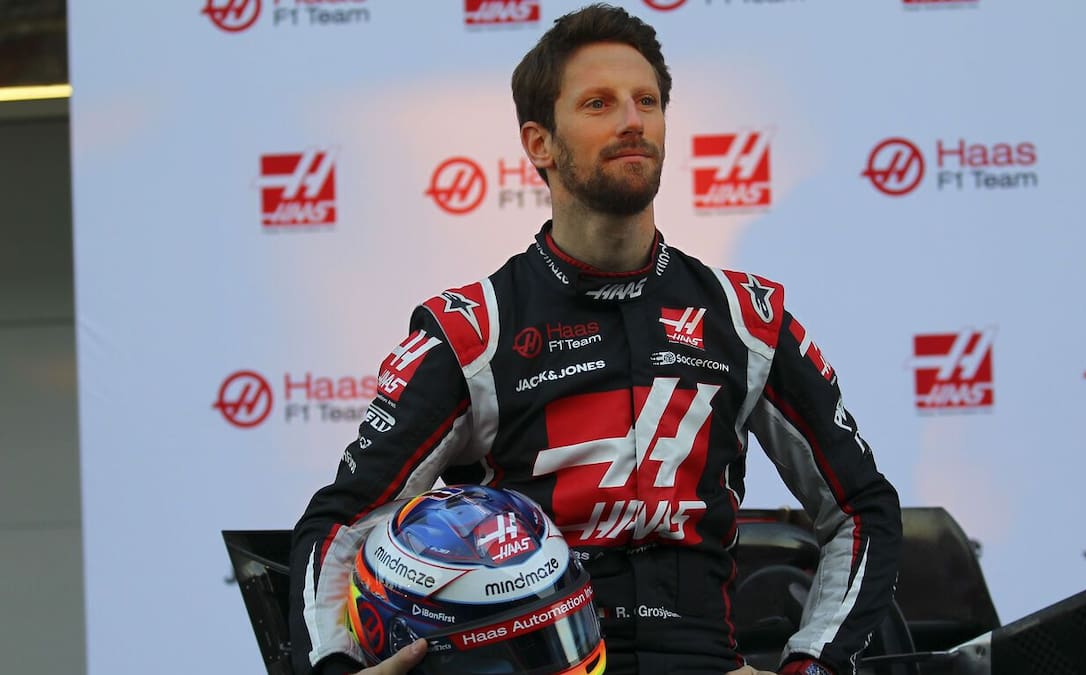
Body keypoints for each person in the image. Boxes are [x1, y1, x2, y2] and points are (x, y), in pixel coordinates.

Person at [288, 4, 902, 675]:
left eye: (647, 101)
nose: (632, 121)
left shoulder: (745, 317)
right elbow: (342, 522)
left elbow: (861, 509)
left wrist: (813, 666)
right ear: (540, 144)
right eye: (599, 103)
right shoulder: (473, 331)